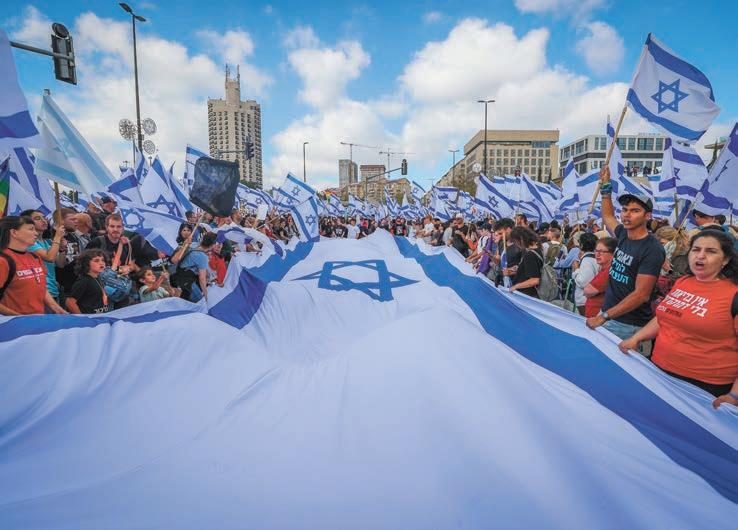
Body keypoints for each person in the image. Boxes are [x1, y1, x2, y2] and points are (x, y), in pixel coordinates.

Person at [618, 230, 738, 408]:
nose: (701, 256)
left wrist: (734, 395)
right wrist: (636, 338)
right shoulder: (684, 281)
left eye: (711, 251)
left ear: (726, 259)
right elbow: (666, 317)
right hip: (660, 371)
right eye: (696, 249)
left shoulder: (733, 294)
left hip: (706, 387)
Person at [586, 167, 665, 345]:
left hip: (627, 324)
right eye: (624, 210)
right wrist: (606, 187)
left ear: (647, 216)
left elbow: (641, 295)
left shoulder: (652, 249)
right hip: (608, 314)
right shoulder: (622, 234)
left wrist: (604, 316)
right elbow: (607, 215)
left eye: (635, 211)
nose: (627, 215)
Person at [0, 215, 66, 316]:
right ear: (14, 232)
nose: (36, 233)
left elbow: (41, 287)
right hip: (14, 323)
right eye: (31, 229)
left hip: (38, 319)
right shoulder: (3, 261)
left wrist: (55, 307)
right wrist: (18, 317)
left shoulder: (35, 257)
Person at [23, 209, 65, 302]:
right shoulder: (29, 242)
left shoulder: (47, 243)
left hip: (53, 289)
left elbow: (60, 264)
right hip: (41, 290)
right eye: (37, 218)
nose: (43, 220)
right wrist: (57, 237)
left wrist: (62, 249)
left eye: (44, 218)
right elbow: (49, 257)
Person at [170, 231, 214, 302]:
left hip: (178, 275)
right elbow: (202, 279)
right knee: (199, 301)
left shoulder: (193, 244)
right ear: (212, 245)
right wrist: (206, 295)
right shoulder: (203, 257)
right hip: (186, 281)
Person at [65, 249, 110, 314]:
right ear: (86, 263)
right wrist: (82, 317)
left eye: (103, 260)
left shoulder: (98, 278)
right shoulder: (84, 280)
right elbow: (70, 302)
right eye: (96, 261)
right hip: (89, 318)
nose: (101, 263)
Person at [583, 237, 617, 318]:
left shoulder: (609, 270)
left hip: (599, 319)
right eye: (596, 251)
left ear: (612, 254)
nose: (597, 254)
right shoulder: (604, 269)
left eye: (602, 251)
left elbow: (588, 291)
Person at [507, 226, 542, 298]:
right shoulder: (537, 249)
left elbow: (535, 280)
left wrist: (516, 286)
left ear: (520, 240)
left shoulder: (530, 255)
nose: (516, 245)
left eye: (515, 242)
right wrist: (518, 268)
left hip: (528, 294)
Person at [571, 233, 599, 315]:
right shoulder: (594, 258)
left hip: (584, 300)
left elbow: (583, 282)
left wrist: (576, 269)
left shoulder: (587, 260)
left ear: (581, 245)